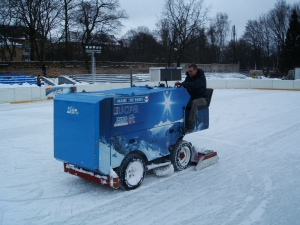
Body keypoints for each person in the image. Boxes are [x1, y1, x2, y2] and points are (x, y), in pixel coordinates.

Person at [175, 64, 207, 132]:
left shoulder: (201, 77)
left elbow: (195, 84)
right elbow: (185, 84)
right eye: (188, 71)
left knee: (194, 103)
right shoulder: (189, 76)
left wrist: (183, 84)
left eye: (191, 71)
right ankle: (178, 122)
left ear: (196, 70)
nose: (189, 73)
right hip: (192, 97)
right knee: (180, 101)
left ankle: (189, 126)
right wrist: (180, 84)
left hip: (202, 98)